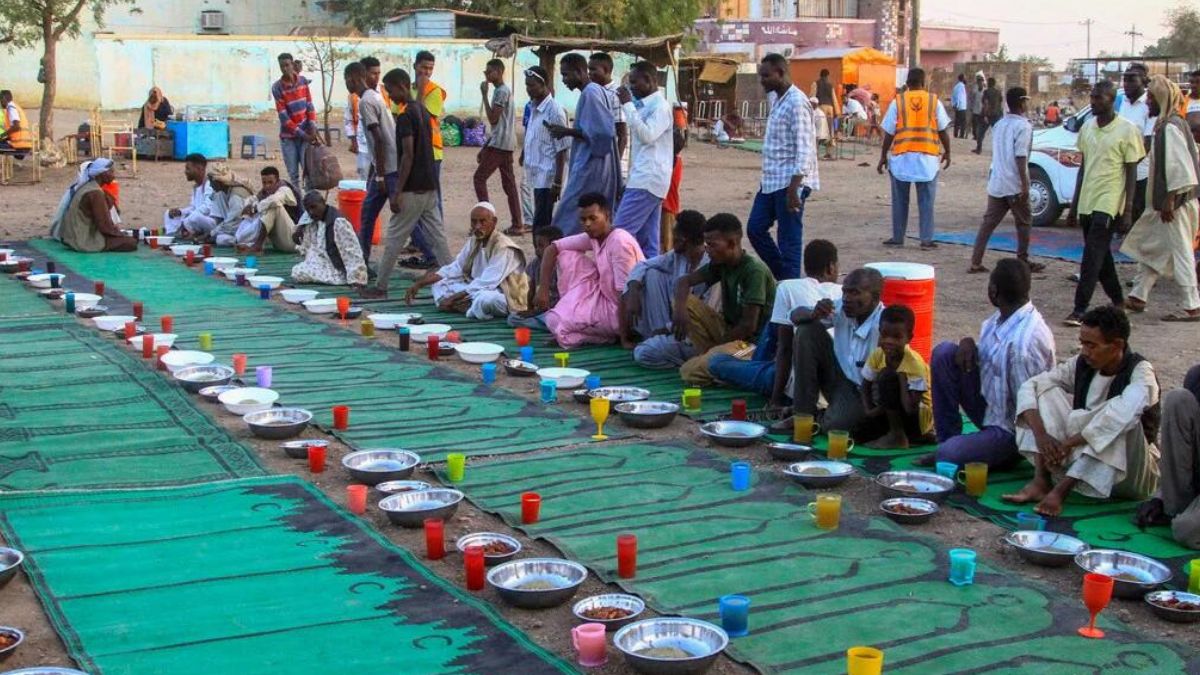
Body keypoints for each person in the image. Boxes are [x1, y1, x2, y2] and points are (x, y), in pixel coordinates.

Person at [1003, 306, 1160, 517]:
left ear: (1117, 345)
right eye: (1083, 343)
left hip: (1132, 474)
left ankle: (1061, 491)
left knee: (1121, 419)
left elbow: (1117, 419)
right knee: (1044, 391)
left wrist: (1067, 444)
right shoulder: (1082, 364)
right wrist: (1042, 436)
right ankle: (1041, 480)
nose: (1084, 351)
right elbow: (1031, 386)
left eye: (1091, 345)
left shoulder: (1141, 373)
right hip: (1082, 456)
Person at [920, 259, 1056, 468]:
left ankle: (982, 452)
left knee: (949, 454)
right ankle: (948, 441)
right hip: (994, 411)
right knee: (945, 353)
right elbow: (990, 362)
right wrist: (968, 343)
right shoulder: (1000, 319)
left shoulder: (1023, 344)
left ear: (993, 291)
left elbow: (1029, 406)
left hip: (1015, 430)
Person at [634, 214, 775, 384]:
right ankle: (714, 360)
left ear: (731, 243)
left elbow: (748, 327)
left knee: (689, 372)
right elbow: (684, 282)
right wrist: (679, 311)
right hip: (726, 333)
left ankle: (725, 364)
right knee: (685, 301)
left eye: (712, 245)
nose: (707, 250)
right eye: (706, 244)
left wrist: (715, 348)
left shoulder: (753, 271)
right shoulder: (721, 264)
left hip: (750, 344)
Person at [708, 239, 841, 400]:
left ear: (806, 268)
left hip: (790, 382)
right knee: (776, 324)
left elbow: (785, 349)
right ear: (831, 267)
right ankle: (757, 365)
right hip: (833, 383)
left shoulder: (787, 287)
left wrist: (776, 398)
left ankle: (756, 366)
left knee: (716, 362)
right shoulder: (844, 295)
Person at [361, 68, 452, 299]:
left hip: (412, 188)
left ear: (402, 86)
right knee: (438, 238)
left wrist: (397, 191)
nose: (390, 96)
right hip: (429, 184)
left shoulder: (404, 116)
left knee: (394, 238)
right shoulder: (421, 110)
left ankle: (380, 287)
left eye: (391, 90)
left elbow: (408, 155)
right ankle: (456, 280)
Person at [1064, 80, 1145, 327]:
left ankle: (1079, 309)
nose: (1093, 102)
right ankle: (1118, 301)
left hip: (1110, 201)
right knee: (1101, 255)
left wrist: (1127, 209)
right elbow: (1083, 167)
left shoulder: (1127, 129)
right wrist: (1074, 205)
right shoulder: (1088, 127)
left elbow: (1131, 171)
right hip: (1088, 198)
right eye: (1092, 97)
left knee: (1091, 255)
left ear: (1111, 100)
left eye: (1098, 98)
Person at [1121, 75, 1200, 321]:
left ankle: (1192, 305)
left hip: (1174, 204)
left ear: (1162, 98)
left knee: (1181, 251)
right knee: (1152, 248)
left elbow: (1179, 167)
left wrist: (1170, 200)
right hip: (1168, 203)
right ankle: (1138, 295)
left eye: (1152, 98)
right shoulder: (1168, 124)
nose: (1148, 103)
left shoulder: (1170, 127)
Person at [770, 268, 885, 436]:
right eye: (845, 292)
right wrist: (814, 313)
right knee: (807, 330)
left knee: (837, 427)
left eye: (855, 293)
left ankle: (821, 418)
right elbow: (794, 316)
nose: (847, 299)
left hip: (867, 393)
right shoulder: (841, 308)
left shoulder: (883, 326)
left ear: (875, 297)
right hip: (843, 381)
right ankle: (803, 414)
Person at [533, 193, 644, 347]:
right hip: (604, 299)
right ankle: (591, 330)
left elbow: (624, 295)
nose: (588, 224)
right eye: (583, 220)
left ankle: (612, 334)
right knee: (566, 254)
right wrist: (543, 289)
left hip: (624, 311)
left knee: (555, 321)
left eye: (593, 218)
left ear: (607, 215)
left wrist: (625, 338)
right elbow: (552, 248)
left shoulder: (619, 243)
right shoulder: (594, 237)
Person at [747, 53, 819, 281]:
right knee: (755, 228)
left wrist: (794, 188)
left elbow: (805, 147)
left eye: (766, 76)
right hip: (771, 180)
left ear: (780, 73)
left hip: (790, 181)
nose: (762, 81)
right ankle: (785, 279)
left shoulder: (797, 103)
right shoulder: (778, 99)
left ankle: (790, 285)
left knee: (788, 240)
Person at [404, 202, 529, 320]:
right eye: (474, 222)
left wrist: (453, 298)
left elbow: (487, 282)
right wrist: (420, 284)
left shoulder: (504, 247)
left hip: (502, 294)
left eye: (482, 221)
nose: (477, 226)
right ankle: (464, 305)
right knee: (439, 283)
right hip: (473, 288)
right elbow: (456, 268)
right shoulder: (474, 240)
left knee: (485, 299)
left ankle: (464, 307)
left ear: (494, 221)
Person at [970, 87, 1045, 273]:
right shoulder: (1023, 126)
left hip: (997, 181)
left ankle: (975, 261)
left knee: (988, 224)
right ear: (1021, 103)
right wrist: (1025, 185)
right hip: (1014, 183)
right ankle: (1023, 259)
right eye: (1026, 101)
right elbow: (1021, 156)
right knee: (1024, 222)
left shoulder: (1000, 124)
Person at [878, 68, 952, 250]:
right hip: (927, 160)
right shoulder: (934, 101)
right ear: (924, 83)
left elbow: (889, 133)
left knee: (899, 202)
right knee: (926, 203)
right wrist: (948, 152)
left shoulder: (898, 102)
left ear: (907, 83)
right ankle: (926, 240)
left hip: (902, 159)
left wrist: (883, 156)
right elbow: (943, 130)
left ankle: (898, 238)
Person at [547, 54, 620, 235]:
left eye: (566, 74)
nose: (563, 80)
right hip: (591, 165)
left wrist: (567, 131)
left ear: (579, 72)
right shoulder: (592, 92)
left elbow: (602, 133)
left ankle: (559, 245)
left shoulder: (591, 93)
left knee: (570, 211)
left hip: (591, 167)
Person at [620, 210, 709, 347]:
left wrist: (667, 328)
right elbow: (643, 265)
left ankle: (660, 339)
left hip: (695, 331)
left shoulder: (709, 264)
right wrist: (633, 291)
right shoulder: (679, 256)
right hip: (671, 321)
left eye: (675, 235)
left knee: (643, 353)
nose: (672, 239)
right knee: (652, 274)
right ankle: (657, 337)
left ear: (683, 240)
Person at [613, 61, 674, 258]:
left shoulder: (660, 107)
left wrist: (627, 105)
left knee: (618, 234)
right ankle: (648, 274)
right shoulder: (644, 106)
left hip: (647, 180)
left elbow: (647, 135)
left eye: (634, 82)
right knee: (647, 241)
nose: (631, 87)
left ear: (648, 80)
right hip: (644, 178)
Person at [1135, 365, 1200, 546]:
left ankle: (1187, 516)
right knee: (1178, 399)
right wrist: (1162, 498)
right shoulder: (1196, 377)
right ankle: (1175, 507)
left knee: (1187, 531)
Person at [858, 305, 935, 448]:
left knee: (887, 376)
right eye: (884, 335)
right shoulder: (878, 354)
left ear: (909, 338)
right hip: (892, 411)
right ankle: (896, 433)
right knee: (857, 433)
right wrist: (869, 411)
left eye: (896, 337)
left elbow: (910, 408)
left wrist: (901, 376)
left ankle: (900, 437)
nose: (889, 341)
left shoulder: (915, 364)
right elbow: (865, 386)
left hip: (915, 418)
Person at [342, 61, 395, 265]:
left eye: (346, 80)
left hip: (388, 168)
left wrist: (380, 175)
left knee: (399, 215)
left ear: (353, 78)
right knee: (368, 212)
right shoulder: (374, 97)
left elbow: (379, 139)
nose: (346, 84)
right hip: (384, 164)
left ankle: (433, 259)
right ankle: (361, 260)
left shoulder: (365, 101)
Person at [474, 59, 522, 235]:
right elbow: (498, 125)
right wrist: (485, 146)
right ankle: (517, 223)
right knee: (509, 185)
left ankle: (485, 220)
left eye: (489, 72)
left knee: (479, 178)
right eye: (485, 72)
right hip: (504, 142)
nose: (487, 75)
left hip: (500, 144)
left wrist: (484, 95)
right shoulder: (503, 91)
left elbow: (493, 119)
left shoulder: (501, 92)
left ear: (499, 72)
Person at [50, 158, 137, 253]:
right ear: (102, 174)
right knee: (131, 243)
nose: (114, 175)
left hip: (73, 236)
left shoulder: (90, 187)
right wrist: (121, 235)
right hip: (82, 240)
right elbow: (105, 226)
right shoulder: (95, 193)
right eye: (111, 172)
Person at [521, 66, 569, 234]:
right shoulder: (533, 107)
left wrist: (557, 182)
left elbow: (562, 148)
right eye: (526, 85)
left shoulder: (554, 111)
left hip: (547, 177)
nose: (528, 89)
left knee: (541, 226)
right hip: (536, 174)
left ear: (544, 84)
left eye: (532, 85)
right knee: (540, 223)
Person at [291, 191, 369, 287]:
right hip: (322, 261)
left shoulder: (338, 222)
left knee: (299, 272)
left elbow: (351, 252)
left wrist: (357, 279)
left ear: (323, 203)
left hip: (338, 267)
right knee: (297, 270)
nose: (311, 212)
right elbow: (305, 218)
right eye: (308, 210)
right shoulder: (314, 219)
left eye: (314, 207)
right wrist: (300, 227)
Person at [271, 53, 320, 189]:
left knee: (308, 173)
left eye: (287, 65)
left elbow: (309, 105)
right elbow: (284, 117)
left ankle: (310, 201)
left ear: (292, 65)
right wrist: (303, 134)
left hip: (306, 135)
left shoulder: (303, 81)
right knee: (294, 176)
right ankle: (298, 201)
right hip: (289, 137)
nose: (285, 69)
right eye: (282, 66)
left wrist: (312, 126)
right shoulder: (277, 87)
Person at [226, 166, 301, 253]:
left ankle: (257, 245)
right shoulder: (264, 192)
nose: (267, 186)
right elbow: (251, 199)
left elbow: (274, 200)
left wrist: (255, 208)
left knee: (273, 206)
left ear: (278, 181)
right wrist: (249, 206)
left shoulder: (285, 189)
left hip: (293, 241)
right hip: (277, 243)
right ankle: (250, 242)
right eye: (264, 183)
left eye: (270, 182)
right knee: (262, 208)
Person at [1119, 65, 1154, 224]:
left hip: (1140, 173)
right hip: (1121, 171)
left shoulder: (1150, 103)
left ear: (1143, 81)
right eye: (1125, 79)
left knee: (1137, 217)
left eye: (1132, 80)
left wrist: (1130, 163)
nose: (1126, 84)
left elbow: (1148, 143)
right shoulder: (1123, 102)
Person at [510, 226, 563, 326]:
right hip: (542, 312)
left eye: (541, 246)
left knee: (557, 320)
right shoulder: (536, 263)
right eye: (536, 246)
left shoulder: (562, 265)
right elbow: (531, 289)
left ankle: (551, 325)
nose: (537, 250)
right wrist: (530, 310)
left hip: (559, 311)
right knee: (513, 318)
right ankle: (547, 325)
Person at [588, 52, 628, 166]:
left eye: (593, 69)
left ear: (605, 70)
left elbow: (622, 136)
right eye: (589, 69)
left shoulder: (615, 95)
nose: (589, 73)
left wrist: (615, 166)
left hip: (609, 160)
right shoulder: (594, 92)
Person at [163, 153, 215, 237]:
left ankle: (180, 233)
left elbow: (207, 208)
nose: (186, 172)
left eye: (188, 169)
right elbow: (193, 207)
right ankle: (172, 236)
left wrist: (189, 216)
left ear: (199, 168)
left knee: (194, 217)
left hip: (209, 221)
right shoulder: (196, 187)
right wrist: (181, 212)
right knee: (169, 213)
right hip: (195, 218)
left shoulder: (209, 184)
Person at [204, 165, 254, 245]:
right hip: (236, 226)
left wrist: (212, 234)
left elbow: (232, 222)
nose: (210, 185)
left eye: (211, 182)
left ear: (218, 183)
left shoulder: (236, 197)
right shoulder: (223, 193)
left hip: (247, 229)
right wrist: (212, 233)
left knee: (220, 239)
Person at [660, 129, 685, 254]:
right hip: (668, 205)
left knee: (667, 243)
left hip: (667, 205)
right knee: (665, 240)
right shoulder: (676, 161)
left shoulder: (669, 162)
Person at [811, 69, 840, 159]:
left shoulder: (815, 83)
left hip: (820, 108)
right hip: (830, 109)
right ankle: (828, 152)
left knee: (818, 130)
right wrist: (837, 111)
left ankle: (815, 152)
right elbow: (834, 98)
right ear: (827, 76)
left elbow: (812, 96)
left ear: (820, 75)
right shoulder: (830, 85)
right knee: (830, 130)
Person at [973, 77, 1004, 154]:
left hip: (988, 114)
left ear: (989, 83)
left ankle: (979, 149)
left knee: (980, 133)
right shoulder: (998, 92)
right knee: (997, 134)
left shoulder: (986, 92)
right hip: (997, 115)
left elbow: (986, 103)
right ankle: (998, 150)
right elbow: (1000, 103)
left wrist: (985, 115)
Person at [0, 90, 31, 157]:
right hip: (24, 144)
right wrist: (5, 138)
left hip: (19, 145)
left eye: (0, 100)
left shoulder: (11, 108)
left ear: (4, 98)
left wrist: (1, 136)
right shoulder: (15, 107)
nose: (0, 103)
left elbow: (16, 127)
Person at [968, 73, 985, 142]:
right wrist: (971, 106)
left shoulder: (984, 91)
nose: (980, 83)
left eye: (981, 81)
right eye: (979, 81)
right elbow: (971, 98)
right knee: (974, 123)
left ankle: (979, 136)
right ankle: (975, 135)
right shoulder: (975, 89)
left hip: (981, 110)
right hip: (975, 109)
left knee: (980, 124)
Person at [951, 74, 969, 139]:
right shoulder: (961, 86)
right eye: (965, 78)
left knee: (957, 121)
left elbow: (953, 96)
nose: (966, 79)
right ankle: (961, 135)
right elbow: (959, 96)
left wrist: (954, 105)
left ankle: (955, 134)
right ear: (963, 78)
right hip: (961, 106)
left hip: (958, 106)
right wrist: (957, 105)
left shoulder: (956, 86)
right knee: (963, 122)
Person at [1187, 70, 1200, 142]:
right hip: (1190, 142)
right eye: (1192, 82)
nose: (1194, 85)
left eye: (1198, 82)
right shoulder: (1183, 102)